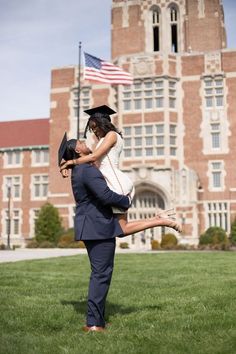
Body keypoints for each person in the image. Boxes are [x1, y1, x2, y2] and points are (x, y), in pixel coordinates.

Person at [60, 105, 181, 234]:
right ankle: (159, 220)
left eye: (95, 127)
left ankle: (160, 221)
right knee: (123, 229)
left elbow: (94, 157)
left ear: (103, 123)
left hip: (116, 184)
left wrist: (70, 162)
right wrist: (67, 166)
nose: (94, 131)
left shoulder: (112, 135)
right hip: (113, 181)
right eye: (91, 129)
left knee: (122, 229)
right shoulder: (103, 140)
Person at [58, 134, 131, 332]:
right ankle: (94, 324)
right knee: (101, 275)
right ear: (78, 150)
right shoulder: (86, 171)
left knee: (99, 274)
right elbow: (106, 196)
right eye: (80, 142)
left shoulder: (80, 169)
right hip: (98, 228)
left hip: (92, 226)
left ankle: (96, 320)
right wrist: (126, 201)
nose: (85, 142)